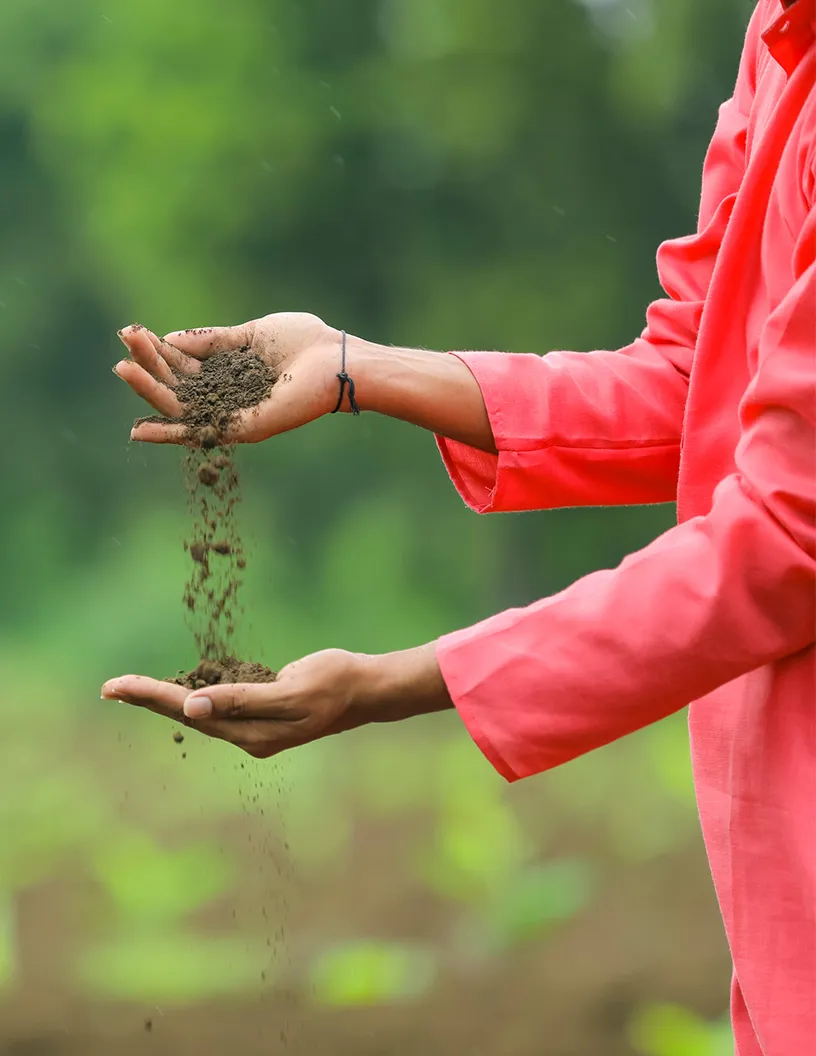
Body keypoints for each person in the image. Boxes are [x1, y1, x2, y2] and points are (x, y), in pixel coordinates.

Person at [102, 0, 815, 1051]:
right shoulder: (781, 39)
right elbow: (696, 374)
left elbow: (788, 539)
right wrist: (356, 369)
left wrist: (395, 683)